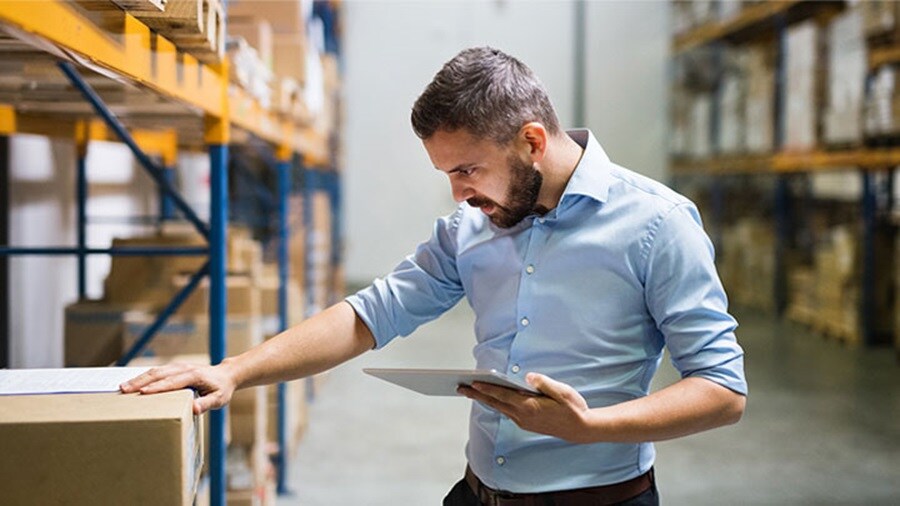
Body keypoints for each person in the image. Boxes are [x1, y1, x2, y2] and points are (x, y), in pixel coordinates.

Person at [122, 47, 747, 505]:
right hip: (478, 494)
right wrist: (234, 370)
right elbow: (369, 315)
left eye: (468, 170)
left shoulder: (658, 224)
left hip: (600, 499)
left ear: (531, 140)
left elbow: (722, 390)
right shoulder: (468, 230)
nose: (459, 193)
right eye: (448, 174)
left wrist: (588, 427)